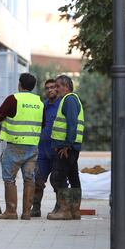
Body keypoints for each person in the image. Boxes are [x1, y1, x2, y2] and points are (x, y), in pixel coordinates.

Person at [0, 73, 44, 220]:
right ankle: (26, 213)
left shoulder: (14, 99)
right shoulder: (39, 102)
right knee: (29, 179)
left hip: (15, 146)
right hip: (32, 147)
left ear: (20, 84)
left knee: (9, 178)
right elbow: (43, 123)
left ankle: (11, 212)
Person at [47, 75, 85, 220]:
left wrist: (67, 144)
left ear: (66, 86)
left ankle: (65, 211)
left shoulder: (69, 100)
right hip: (70, 147)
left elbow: (72, 124)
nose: (55, 89)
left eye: (57, 86)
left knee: (58, 177)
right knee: (73, 177)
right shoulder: (71, 100)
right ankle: (74, 211)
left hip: (66, 148)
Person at [30, 79, 61, 217]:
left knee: (57, 180)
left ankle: (59, 208)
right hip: (42, 150)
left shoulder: (62, 105)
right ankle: (35, 208)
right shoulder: (42, 106)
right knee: (38, 180)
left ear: (58, 89)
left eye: (53, 87)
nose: (50, 90)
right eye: (47, 88)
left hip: (56, 149)